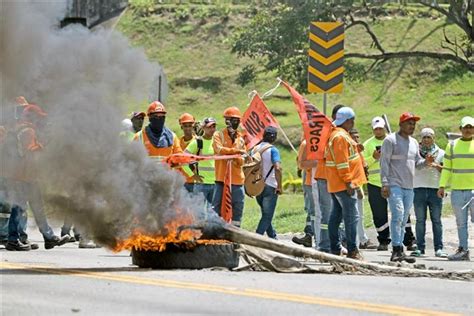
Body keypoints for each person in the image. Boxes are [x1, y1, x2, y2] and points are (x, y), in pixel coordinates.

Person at [6, 104, 69, 250]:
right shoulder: (27, 130)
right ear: (31, 117)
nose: (40, 120)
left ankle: (49, 237)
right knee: (19, 207)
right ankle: (13, 240)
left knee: (36, 207)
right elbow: (30, 151)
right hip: (24, 177)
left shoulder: (20, 129)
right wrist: (42, 145)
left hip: (25, 175)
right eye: (38, 117)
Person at [380, 112, 433, 263]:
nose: (412, 126)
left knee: (403, 219)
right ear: (401, 124)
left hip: (409, 186)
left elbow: (417, 163)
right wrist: (385, 184)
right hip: (394, 184)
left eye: (413, 124)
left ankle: (400, 250)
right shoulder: (390, 140)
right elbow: (384, 163)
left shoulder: (414, 143)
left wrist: (426, 162)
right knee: (398, 215)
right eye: (409, 123)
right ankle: (396, 249)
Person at [325, 107, 366, 260]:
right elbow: (342, 162)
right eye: (352, 120)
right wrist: (348, 181)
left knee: (336, 215)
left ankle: (335, 249)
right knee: (351, 216)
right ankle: (352, 250)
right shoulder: (340, 137)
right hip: (344, 183)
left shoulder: (338, 135)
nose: (353, 123)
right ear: (348, 121)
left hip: (338, 183)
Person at [438, 116, 474, 261]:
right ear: (460, 129)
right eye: (465, 127)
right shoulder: (452, 145)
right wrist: (441, 185)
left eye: (471, 127)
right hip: (457, 191)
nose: (468, 130)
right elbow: (446, 168)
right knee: (461, 223)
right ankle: (463, 250)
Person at [411, 128, 448, 257]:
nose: (426, 140)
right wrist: (425, 162)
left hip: (434, 189)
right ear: (421, 139)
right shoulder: (415, 153)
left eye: (429, 137)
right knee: (420, 220)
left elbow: (446, 170)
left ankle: (439, 248)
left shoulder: (442, 153)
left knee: (436, 220)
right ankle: (420, 248)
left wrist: (436, 165)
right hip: (419, 188)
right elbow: (413, 165)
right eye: (424, 137)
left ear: (434, 138)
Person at [212, 106, 247, 227]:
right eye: (232, 120)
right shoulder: (218, 135)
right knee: (217, 207)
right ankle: (216, 233)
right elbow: (219, 149)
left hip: (237, 180)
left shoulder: (240, 138)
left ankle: (236, 233)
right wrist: (235, 151)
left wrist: (235, 155)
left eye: (237, 120)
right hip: (221, 179)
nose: (235, 123)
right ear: (226, 121)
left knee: (238, 207)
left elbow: (242, 161)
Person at [349, 128, 377, 249]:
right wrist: (357, 188)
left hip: (358, 185)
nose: (356, 139)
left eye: (357, 137)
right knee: (353, 215)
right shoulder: (349, 151)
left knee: (359, 215)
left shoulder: (358, 151)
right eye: (353, 137)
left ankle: (362, 239)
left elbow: (363, 166)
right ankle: (355, 241)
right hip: (351, 187)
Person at [254, 126, 282, 239]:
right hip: (270, 186)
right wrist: (279, 186)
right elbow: (278, 168)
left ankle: (272, 236)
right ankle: (256, 238)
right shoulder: (273, 150)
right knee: (267, 215)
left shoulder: (254, 149)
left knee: (265, 214)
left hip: (256, 186)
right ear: (274, 137)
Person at [185, 117, 217, 212]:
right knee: (198, 214)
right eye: (209, 127)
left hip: (216, 184)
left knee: (214, 215)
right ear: (203, 128)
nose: (212, 129)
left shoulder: (217, 142)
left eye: (214, 126)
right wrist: (192, 175)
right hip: (201, 184)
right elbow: (182, 160)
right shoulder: (197, 142)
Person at [292, 139, 317, 247]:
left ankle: (312, 235)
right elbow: (301, 162)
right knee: (312, 210)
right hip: (311, 181)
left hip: (321, 180)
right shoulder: (306, 143)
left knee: (316, 211)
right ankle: (311, 235)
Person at [178, 113, 196, 193]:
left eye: (190, 125)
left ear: (193, 126)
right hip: (181, 182)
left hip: (195, 182)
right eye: (185, 126)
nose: (188, 128)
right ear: (181, 126)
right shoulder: (177, 143)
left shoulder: (198, 142)